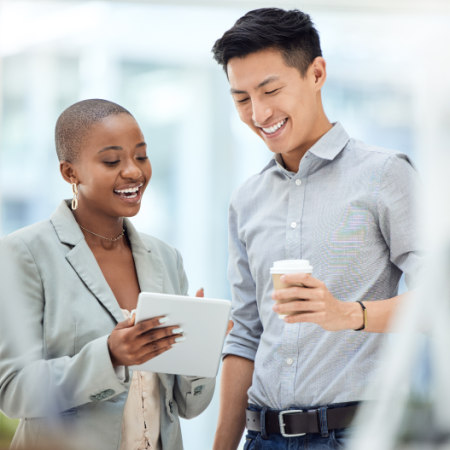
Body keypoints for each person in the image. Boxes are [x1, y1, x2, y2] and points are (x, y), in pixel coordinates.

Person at [211, 8, 422, 450]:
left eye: (271, 89)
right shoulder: (246, 199)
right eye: (242, 98)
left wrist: (347, 314)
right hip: (260, 437)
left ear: (317, 73)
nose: (259, 112)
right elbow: (246, 334)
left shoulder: (385, 174)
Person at [0, 99, 215, 450]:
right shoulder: (24, 253)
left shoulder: (166, 258)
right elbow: (12, 391)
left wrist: (201, 348)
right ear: (71, 173)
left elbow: (190, 406)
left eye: (141, 156)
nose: (134, 171)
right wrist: (110, 357)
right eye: (112, 161)